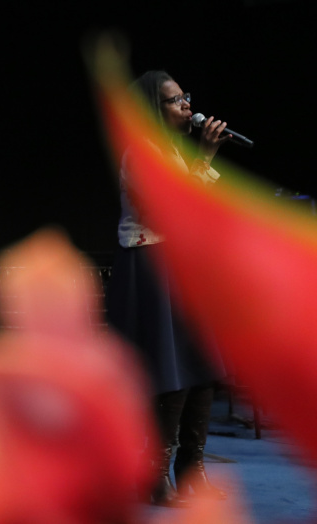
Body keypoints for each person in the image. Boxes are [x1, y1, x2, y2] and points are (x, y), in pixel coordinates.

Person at [106, 71, 230, 505]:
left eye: (185, 97)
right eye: (175, 100)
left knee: (202, 367)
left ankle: (192, 470)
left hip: (182, 269)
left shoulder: (171, 152)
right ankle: (155, 476)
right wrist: (206, 158)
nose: (187, 106)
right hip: (152, 267)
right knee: (172, 372)